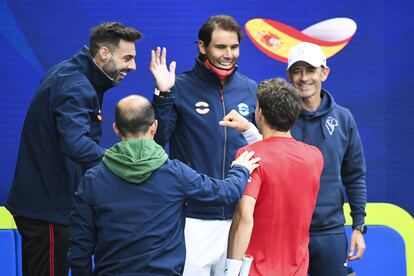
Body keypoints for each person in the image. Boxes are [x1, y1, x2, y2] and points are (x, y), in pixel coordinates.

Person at [67, 95, 260, 275]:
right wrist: (241, 169)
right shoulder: (175, 173)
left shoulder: (93, 179)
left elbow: (79, 248)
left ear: (116, 128)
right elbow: (226, 193)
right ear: (154, 126)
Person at [6, 22, 142, 275]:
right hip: (47, 212)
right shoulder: (75, 85)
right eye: (128, 58)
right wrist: (124, 164)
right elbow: (76, 144)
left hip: (50, 207)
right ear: (104, 53)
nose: (133, 66)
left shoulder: (74, 74)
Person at [220, 42, 367, 276]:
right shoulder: (283, 119)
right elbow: (270, 150)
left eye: (310, 70)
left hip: (329, 231)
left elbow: (355, 174)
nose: (303, 77)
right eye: (297, 71)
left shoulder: (343, 118)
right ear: (288, 76)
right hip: (285, 236)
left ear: (324, 72)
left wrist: (358, 225)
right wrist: (249, 129)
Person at [150, 15, 257, 275]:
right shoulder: (180, 87)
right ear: (202, 46)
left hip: (239, 219)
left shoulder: (251, 89)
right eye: (220, 47)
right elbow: (157, 140)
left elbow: (265, 148)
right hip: (192, 218)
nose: (228, 54)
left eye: (234, 47)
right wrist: (163, 95)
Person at [223, 78, 323, 275]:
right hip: (298, 270)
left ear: (259, 114)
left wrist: (231, 270)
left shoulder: (249, 156)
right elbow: (280, 153)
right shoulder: (315, 157)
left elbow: (244, 217)